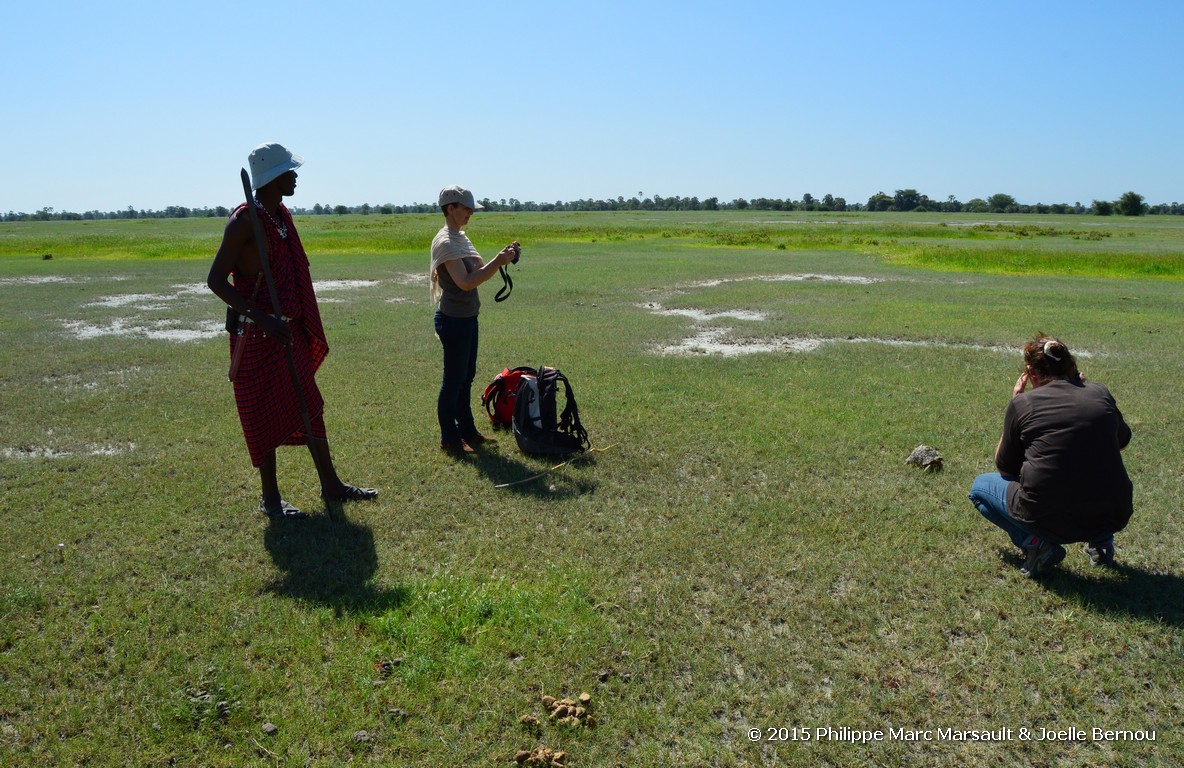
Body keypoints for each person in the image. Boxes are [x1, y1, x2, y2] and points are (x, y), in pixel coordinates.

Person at [207, 142, 376, 519]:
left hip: (288, 332)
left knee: (309, 407)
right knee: (260, 413)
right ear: (271, 178)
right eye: (289, 171)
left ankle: (331, 485)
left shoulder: (281, 215)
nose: (295, 176)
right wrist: (262, 317)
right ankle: (270, 499)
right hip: (256, 335)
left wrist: (287, 321)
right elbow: (216, 280)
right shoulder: (244, 222)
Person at [969, 334, 1133, 578]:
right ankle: (1102, 544)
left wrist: (1014, 403)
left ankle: (1037, 544)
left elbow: (1006, 468)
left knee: (980, 487)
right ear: (1072, 365)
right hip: (1114, 514)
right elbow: (1122, 442)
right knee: (1093, 464)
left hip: (1050, 517)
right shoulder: (1100, 393)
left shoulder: (1024, 403)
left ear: (1031, 373)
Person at [430, 185, 521, 456]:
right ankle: (450, 437)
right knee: (453, 381)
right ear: (450, 209)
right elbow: (466, 282)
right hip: (454, 319)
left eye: (472, 209)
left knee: (466, 378)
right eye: (466, 208)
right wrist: (498, 260)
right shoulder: (446, 241)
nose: (470, 213)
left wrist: (503, 257)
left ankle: (467, 430)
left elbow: (479, 271)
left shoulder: (460, 237)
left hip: (468, 317)